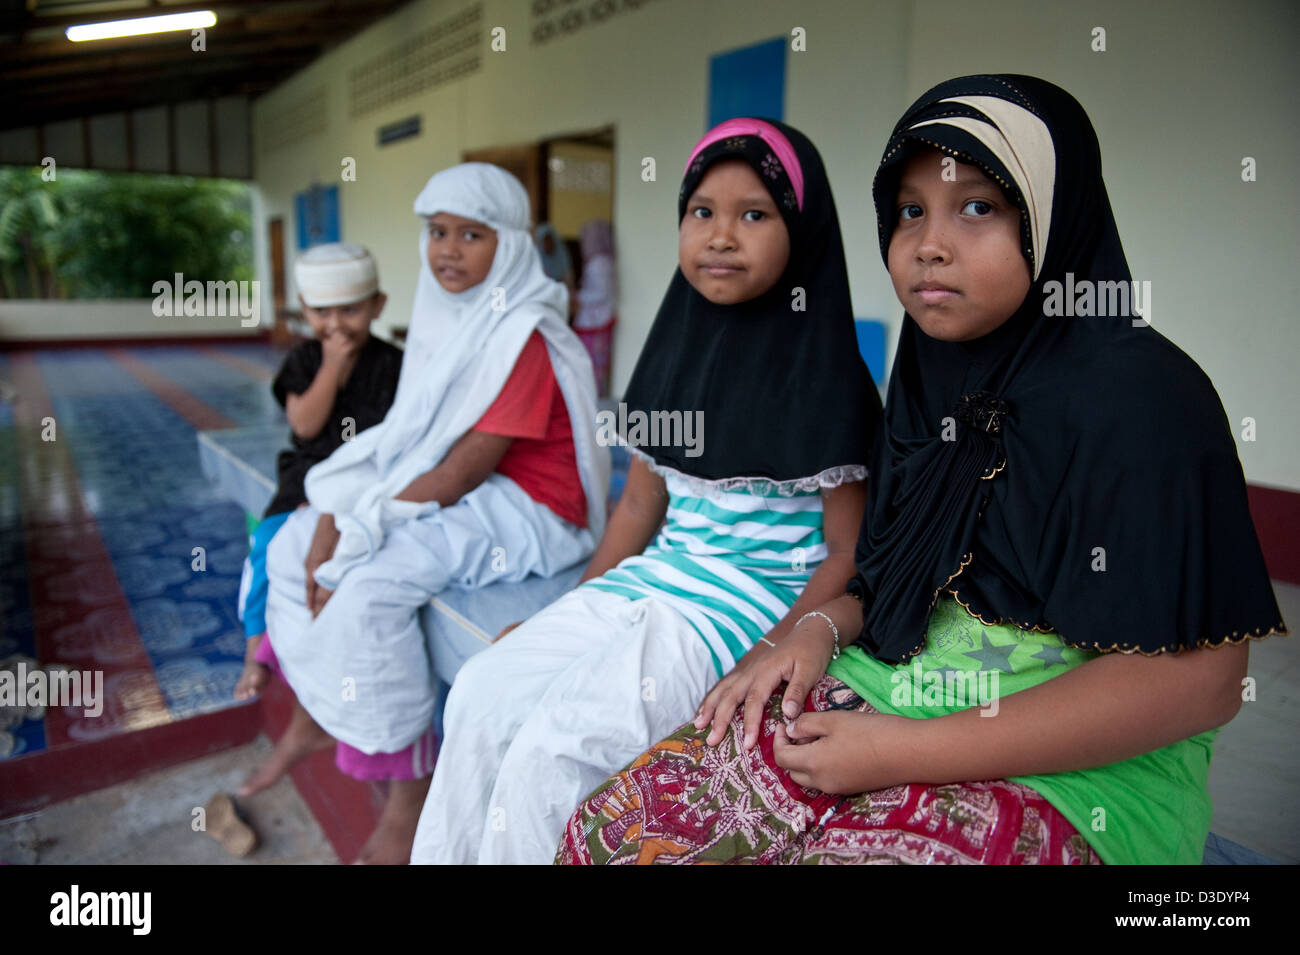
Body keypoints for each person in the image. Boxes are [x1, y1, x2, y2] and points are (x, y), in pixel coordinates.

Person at [557, 74, 1288, 866]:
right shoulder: (930, 374)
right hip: (894, 684)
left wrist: (900, 752)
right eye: (911, 210)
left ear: (1052, 216)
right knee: (619, 831)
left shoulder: (1144, 395)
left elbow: (1199, 683)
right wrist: (813, 630)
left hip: (1084, 772)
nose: (928, 243)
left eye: (977, 206)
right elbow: (887, 571)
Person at [412, 118, 882, 864]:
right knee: (479, 688)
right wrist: (561, 614)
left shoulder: (829, 379)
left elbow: (845, 554)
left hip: (736, 611)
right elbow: (638, 505)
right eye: (702, 212)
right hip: (648, 581)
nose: (722, 234)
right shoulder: (669, 356)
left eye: (754, 214)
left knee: (553, 751)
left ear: (803, 229)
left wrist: (770, 652)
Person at [241, 163, 609, 865]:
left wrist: (368, 522)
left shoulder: (522, 328)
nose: (448, 249)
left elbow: (466, 461)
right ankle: (326, 710)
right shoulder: (454, 316)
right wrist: (348, 508)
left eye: (472, 234)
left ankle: (409, 791)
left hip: (535, 508)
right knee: (292, 540)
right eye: (438, 231)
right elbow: (418, 436)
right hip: (480, 489)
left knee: (372, 581)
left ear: (508, 243)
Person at [233, 243, 401, 702]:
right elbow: (304, 424)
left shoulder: (393, 364)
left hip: (367, 478)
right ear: (305, 309)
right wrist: (333, 365)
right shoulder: (305, 360)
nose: (335, 323)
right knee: (268, 543)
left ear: (377, 306)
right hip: (305, 474)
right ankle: (254, 648)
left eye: (350, 309)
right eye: (322, 311)